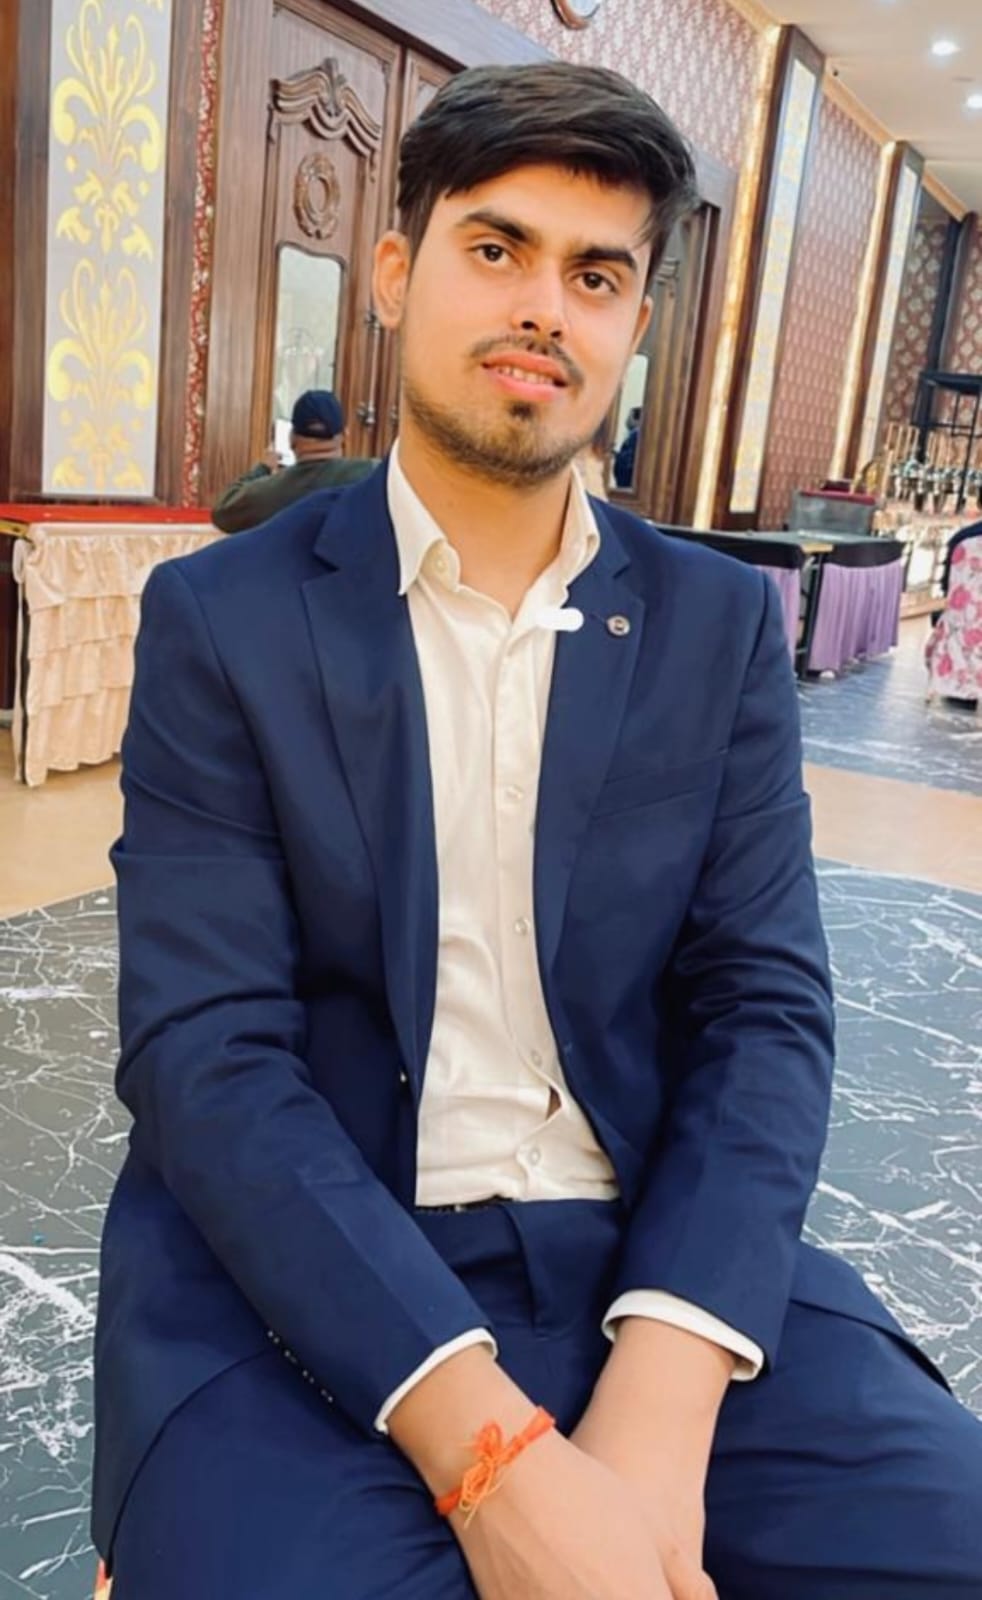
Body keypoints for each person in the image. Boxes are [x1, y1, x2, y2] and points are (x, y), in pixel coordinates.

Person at [94, 63, 982, 1600]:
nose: (541, 308)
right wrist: (489, 1452)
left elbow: (763, 1010)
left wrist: (665, 1389)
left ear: (633, 323)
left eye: (594, 274)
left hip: (650, 1249)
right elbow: (206, 1050)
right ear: (395, 274)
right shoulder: (223, 618)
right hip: (310, 1276)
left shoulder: (711, 624)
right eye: (494, 247)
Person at [211, 389, 375, 532]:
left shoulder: (269, 491)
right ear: (345, 436)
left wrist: (262, 468)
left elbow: (223, 512)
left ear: (291, 438)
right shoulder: (373, 476)